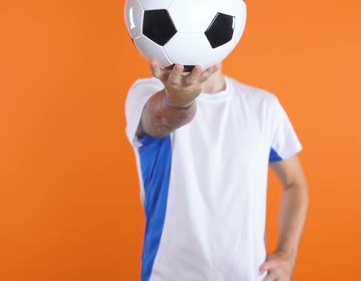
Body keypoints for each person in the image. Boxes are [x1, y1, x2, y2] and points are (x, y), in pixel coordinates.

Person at [125, 60, 309, 281]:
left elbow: (294, 183)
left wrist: (286, 255)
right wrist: (179, 99)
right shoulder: (147, 92)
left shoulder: (262, 106)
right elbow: (161, 118)